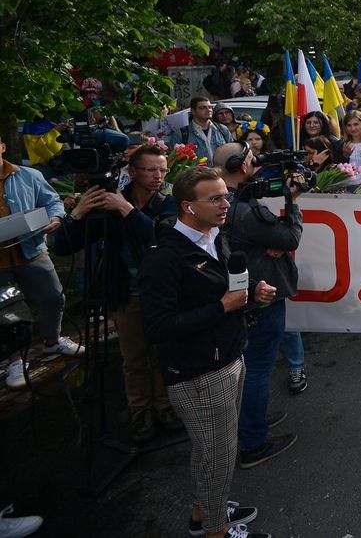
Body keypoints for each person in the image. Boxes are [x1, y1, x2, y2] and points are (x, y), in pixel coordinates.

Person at [139, 166, 275, 538]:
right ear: (187, 206)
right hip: (198, 374)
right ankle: (216, 531)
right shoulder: (164, 259)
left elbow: (228, 289)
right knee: (218, 458)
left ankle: (204, 514)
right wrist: (224, 307)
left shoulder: (216, 236)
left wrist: (252, 294)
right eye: (214, 198)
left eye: (225, 196)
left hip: (230, 358)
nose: (225, 204)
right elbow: (158, 327)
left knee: (211, 451)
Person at [50, 144, 178, 441]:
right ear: (132, 172)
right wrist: (78, 215)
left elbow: (163, 239)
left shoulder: (165, 203)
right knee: (134, 358)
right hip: (127, 293)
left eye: (163, 169)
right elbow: (63, 247)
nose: (158, 175)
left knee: (162, 354)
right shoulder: (108, 206)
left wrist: (127, 209)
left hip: (162, 292)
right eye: (151, 169)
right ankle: (140, 413)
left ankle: (165, 406)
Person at [213, 144, 302, 470]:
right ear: (239, 165)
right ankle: (254, 441)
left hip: (243, 290)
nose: (256, 163)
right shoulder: (243, 210)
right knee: (257, 369)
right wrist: (293, 204)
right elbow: (290, 238)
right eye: (251, 159)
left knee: (250, 366)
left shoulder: (223, 202)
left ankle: (252, 420)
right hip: (260, 294)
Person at [1, 137, 78, 391]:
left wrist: (56, 217)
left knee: (53, 298)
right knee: (8, 311)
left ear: (2, 146)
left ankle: (52, 340)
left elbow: (52, 201)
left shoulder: (27, 174)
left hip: (32, 250)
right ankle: (14, 360)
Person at [180, 96, 233, 163]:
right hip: (197, 173)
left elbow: (232, 152)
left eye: (210, 107)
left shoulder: (222, 129)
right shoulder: (182, 133)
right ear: (193, 111)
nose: (208, 110)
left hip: (221, 172)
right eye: (202, 108)